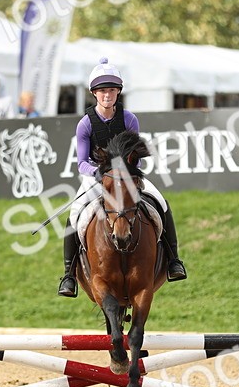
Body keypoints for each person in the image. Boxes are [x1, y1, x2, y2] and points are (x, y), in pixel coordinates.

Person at [57, 58, 187, 298]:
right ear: (94, 93)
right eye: (102, 91)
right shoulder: (85, 124)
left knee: (161, 202)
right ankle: (68, 275)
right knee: (75, 214)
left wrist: (127, 172)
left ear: (118, 92)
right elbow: (81, 162)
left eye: (111, 90)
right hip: (97, 177)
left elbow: (136, 156)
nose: (107, 95)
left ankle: (174, 261)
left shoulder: (129, 119)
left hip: (127, 177)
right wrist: (97, 173)